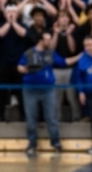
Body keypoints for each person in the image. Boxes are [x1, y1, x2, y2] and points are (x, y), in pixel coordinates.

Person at [18, 29, 62, 157]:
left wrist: (79, 56)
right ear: (40, 41)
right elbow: (19, 66)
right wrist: (25, 70)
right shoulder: (29, 53)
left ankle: (56, 143)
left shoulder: (51, 53)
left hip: (48, 89)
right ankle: (32, 144)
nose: (50, 41)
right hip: (30, 89)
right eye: (47, 39)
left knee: (51, 118)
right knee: (31, 118)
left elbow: (63, 62)